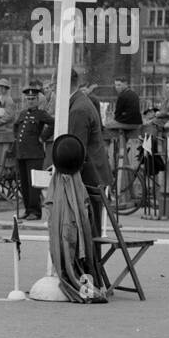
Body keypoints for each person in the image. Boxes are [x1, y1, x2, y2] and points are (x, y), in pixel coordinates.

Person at [66, 68, 111, 238]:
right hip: (93, 174)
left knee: (88, 230)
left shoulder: (78, 109)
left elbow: (77, 149)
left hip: (89, 177)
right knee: (90, 228)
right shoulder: (81, 103)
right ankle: (91, 263)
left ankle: (90, 264)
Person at [13, 85, 54, 219]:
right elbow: (16, 127)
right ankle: (27, 209)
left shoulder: (41, 114)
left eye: (33, 99)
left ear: (37, 100)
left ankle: (35, 212)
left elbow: (53, 123)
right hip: (22, 153)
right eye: (28, 98)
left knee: (33, 184)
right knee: (24, 184)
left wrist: (43, 137)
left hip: (34, 153)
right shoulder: (23, 113)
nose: (30, 101)